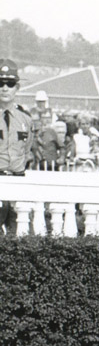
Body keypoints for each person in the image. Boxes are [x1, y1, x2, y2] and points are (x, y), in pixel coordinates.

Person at [0, 59, 35, 234]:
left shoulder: (25, 119)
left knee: (20, 237)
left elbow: (27, 150)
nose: (5, 88)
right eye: (0, 83)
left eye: (10, 83)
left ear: (17, 88)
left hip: (17, 183)